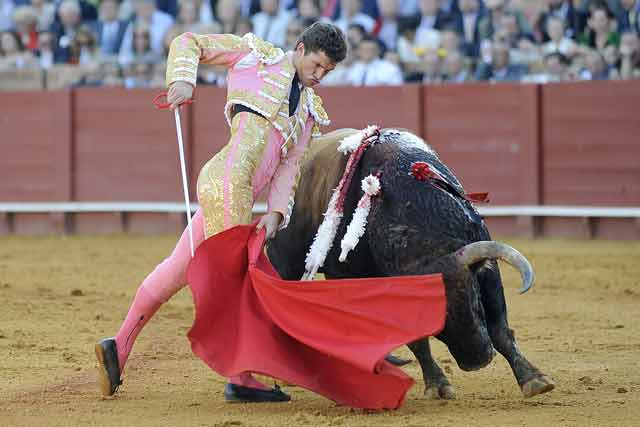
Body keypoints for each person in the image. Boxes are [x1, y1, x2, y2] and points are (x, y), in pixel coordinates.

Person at [95, 21, 347, 403]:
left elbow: (290, 167)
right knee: (243, 279)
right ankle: (241, 378)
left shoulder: (310, 111)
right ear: (300, 49)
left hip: (238, 196)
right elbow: (189, 41)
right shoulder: (256, 56)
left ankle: (119, 345)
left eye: (327, 71)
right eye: (317, 65)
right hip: (226, 181)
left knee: (175, 270)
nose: (320, 76)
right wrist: (183, 80)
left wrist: (277, 213)